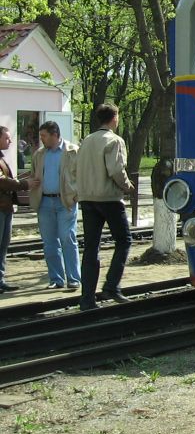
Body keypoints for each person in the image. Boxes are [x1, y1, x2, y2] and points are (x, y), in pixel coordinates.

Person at [76, 104, 135, 310]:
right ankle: (111, 285)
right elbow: (116, 170)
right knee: (124, 240)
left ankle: (87, 299)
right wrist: (127, 186)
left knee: (91, 247)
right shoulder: (114, 141)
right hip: (109, 198)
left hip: (87, 198)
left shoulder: (87, 141)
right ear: (114, 118)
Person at [27, 121, 81, 290]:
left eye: (44, 136)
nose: (41, 139)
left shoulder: (73, 151)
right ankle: (56, 279)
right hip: (44, 202)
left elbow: (81, 175)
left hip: (65, 201)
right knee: (49, 242)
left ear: (54, 135)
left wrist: (76, 195)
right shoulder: (39, 154)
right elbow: (34, 172)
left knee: (67, 238)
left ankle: (73, 278)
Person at [0, 126, 31, 292]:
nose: (10, 141)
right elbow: (2, 182)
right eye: (7, 138)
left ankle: (0, 280)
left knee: (3, 245)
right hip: (1, 208)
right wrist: (24, 184)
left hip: (5, 207)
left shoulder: (1, 158)